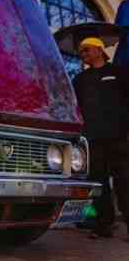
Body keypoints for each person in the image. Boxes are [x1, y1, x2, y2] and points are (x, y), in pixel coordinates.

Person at [72, 37, 129, 239]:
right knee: (98, 182)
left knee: (124, 181)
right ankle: (104, 224)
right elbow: (75, 107)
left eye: (86, 50)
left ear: (99, 50)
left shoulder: (120, 73)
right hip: (93, 138)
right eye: (81, 51)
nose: (83, 54)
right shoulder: (79, 80)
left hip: (120, 137)